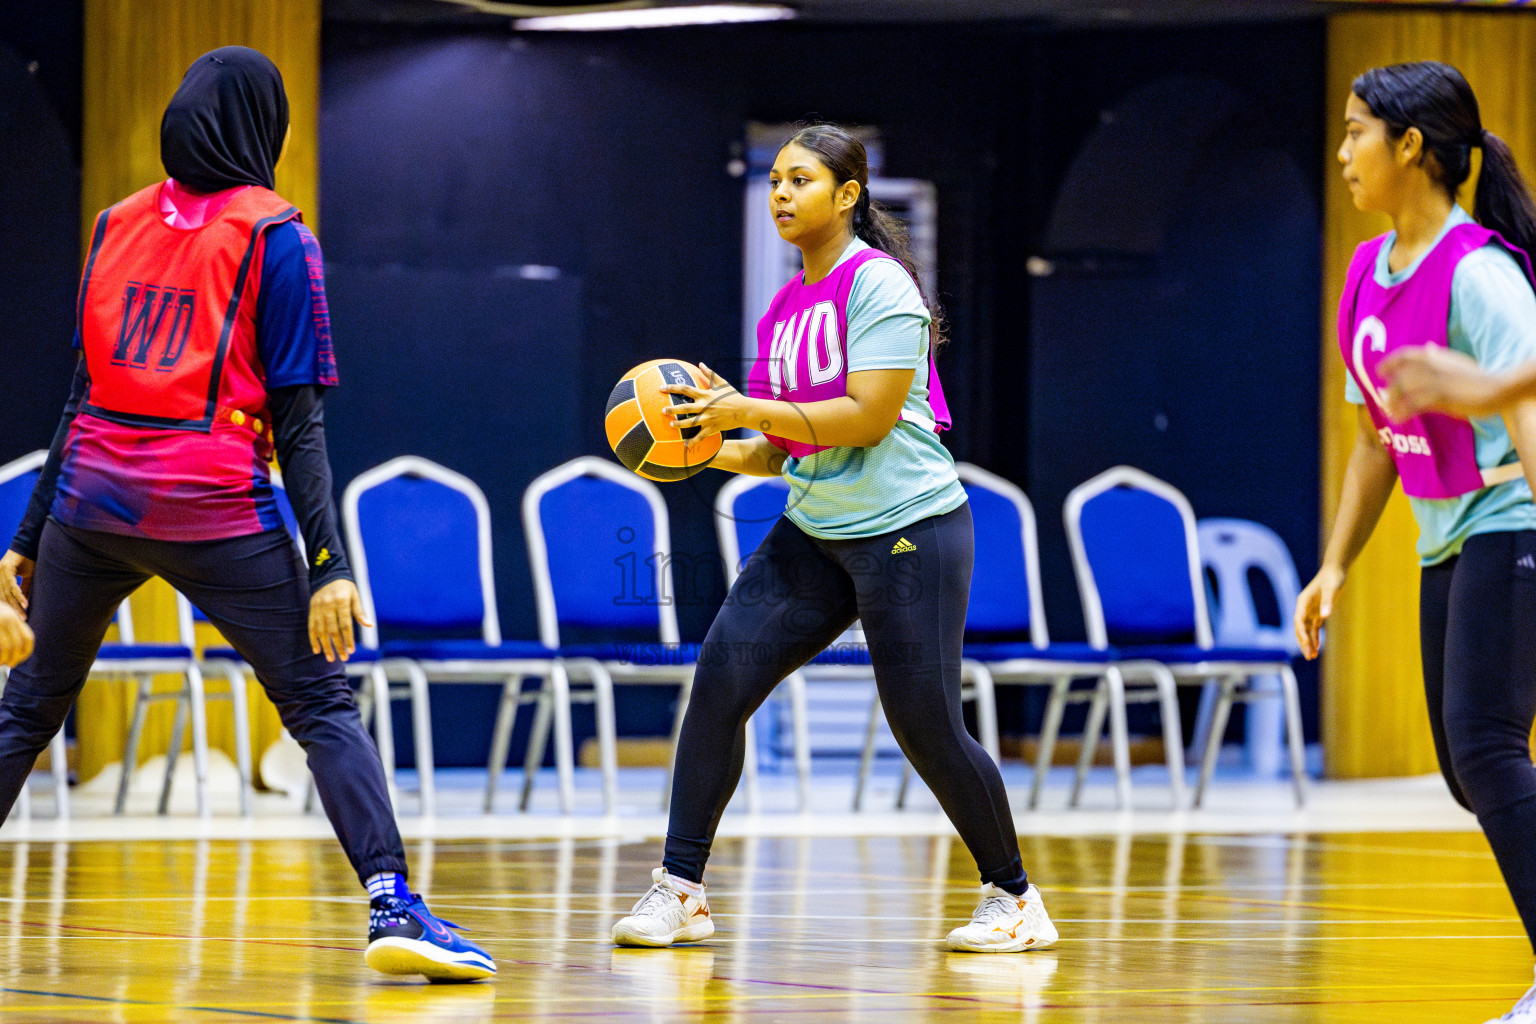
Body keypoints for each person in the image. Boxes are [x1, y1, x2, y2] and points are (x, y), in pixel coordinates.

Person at [0, 47, 493, 983]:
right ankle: (395, 903)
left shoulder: (113, 223)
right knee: (317, 702)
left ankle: (398, 901)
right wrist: (329, 564)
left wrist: (23, 543)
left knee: (28, 709)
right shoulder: (276, 236)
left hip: (92, 501)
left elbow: (78, 397)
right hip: (209, 502)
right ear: (264, 128)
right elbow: (298, 418)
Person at [608, 124, 1056, 954]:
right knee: (718, 680)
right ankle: (682, 889)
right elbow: (781, 449)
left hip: (912, 529)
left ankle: (1016, 897)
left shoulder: (880, 285)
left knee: (923, 722)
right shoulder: (785, 311)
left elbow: (868, 416)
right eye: (775, 180)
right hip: (815, 530)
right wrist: (696, 446)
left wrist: (747, 409)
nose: (782, 193)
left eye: (801, 180)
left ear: (847, 196)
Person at [1294, 61, 1536, 1024]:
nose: (1344, 149)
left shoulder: (1480, 273)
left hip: (1510, 519)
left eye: (1358, 131)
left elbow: (1528, 410)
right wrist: (1336, 565)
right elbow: (1372, 441)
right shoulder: (1367, 271)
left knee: (1485, 750)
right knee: (1467, 770)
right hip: (1444, 538)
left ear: (1410, 147)